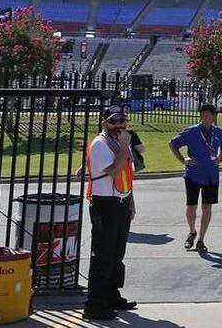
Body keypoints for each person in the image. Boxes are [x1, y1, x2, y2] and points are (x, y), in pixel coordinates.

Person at [84, 107, 136, 320]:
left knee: (117, 253)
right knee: (103, 254)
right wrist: (124, 146)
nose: (120, 126)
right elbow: (113, 170)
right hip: (105, 203)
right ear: (105, 123)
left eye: (123, 121)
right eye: (115, 122)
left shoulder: (119, 144)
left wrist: (130, 201)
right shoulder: (100, 144)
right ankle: (95, 304)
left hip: (121, 201)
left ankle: (111, 294)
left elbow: (127, 173)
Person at [169, 104, 222, 253]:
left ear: (213, 116)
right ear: (200, 116)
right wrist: (183, 160)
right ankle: (192, 231)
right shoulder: (192, 131)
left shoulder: (219, 132)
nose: (206, 117)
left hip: (212, 175)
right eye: (204, 114)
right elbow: (173, 144)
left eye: (209, 115)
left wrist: (220, 157)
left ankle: (201, 239)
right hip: (193, 174)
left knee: (207, 207)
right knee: (191, 207)